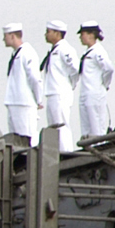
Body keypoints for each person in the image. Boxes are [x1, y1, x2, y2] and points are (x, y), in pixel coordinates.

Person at [39, 21, 79, 150]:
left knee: (61, 125)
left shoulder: (64, 49)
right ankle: (57, 152)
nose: (46, 34)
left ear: (57, 33)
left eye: (48, 31)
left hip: (60, 92)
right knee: (53, 127)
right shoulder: (54, 50)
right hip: (52, 92)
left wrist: (69, 86)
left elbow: (75, 70)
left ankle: (66, 152)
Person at [0, 24, 42, 137]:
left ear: (13, 36)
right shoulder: (16, 53)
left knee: (27, 137)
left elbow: (34, 78)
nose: (3, 39)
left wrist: (39, 99)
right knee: (16, 140)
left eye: (6, 36)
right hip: (14, 102)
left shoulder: (27, 52)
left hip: (24, 103)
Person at [75, 23, 114, 137]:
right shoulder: (88, 52)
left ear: (91, 35)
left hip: (95, 93)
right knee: (86, 125)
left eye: (83, 34)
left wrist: (104, 84)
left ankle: (98, 147)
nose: (81, 37)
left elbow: (109, 69)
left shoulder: (98, 51)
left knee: (96, 124)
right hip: (85, 92)